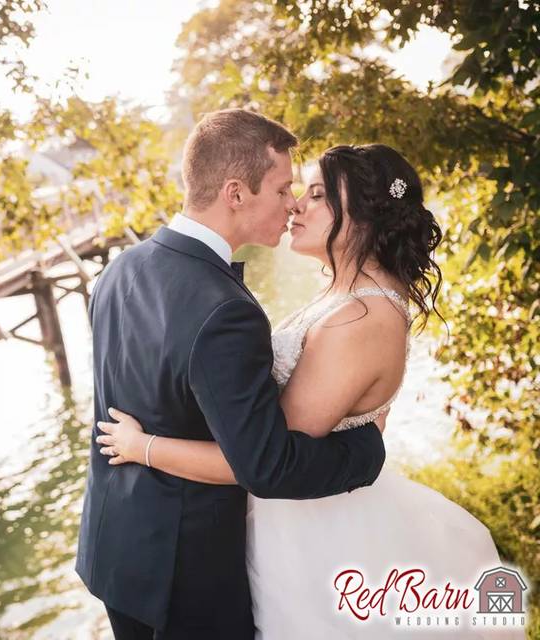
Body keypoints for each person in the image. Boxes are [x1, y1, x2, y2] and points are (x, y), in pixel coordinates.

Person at [97, 143, 517, 638]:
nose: (296, 204)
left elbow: (267, 460)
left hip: (315, 528)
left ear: (361, 216)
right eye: (297, 190)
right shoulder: (344, 294)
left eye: (316, 194)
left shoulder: (362, 318)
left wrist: (143, 447)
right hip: (292, 519)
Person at [75, 109, 388, 639]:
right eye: (284, 187)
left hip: (112, 551)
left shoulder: (117, 270)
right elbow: (266, 465)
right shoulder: (225, 310)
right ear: (236, 193)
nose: (293, 203)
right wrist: (365, 452)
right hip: (185, 577)